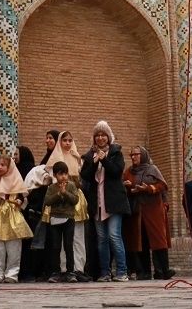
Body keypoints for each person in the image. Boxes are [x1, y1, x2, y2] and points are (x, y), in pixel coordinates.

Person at [80, 120, 130, 282]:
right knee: (101, 239)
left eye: (103, 135)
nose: (100, 138)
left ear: (108, 137)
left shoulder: (116, 152)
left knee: (114, 236)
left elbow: (116, 172)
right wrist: (95, 162)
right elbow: (86, 176)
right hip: (98, 204)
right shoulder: (89, 155)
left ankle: (122, 271)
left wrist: (104, 159)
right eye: (97, 135)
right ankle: (105, 272)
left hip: (114, 203)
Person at [122, 145, 174, 280]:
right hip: (137, 211)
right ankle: (144, 272)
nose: (133, 157)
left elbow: (163, 186)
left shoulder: (152, 169)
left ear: (143, 155)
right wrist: (128, 188)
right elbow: (124, 188)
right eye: (131, 155)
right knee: (141, 242)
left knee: (158, 240)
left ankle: (163, 270)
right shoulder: (128, 172)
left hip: (153, 210)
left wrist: (149, 188)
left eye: (136, 154)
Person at [46, 130, 91, 281]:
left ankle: (78, 269)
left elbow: (83, 178)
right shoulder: (56, 159)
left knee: (77, 238)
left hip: (75, 199)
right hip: (60, 204)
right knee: (62, 241)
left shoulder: (76, 156)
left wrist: (79, 162)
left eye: (70, 140)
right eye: (64, 140)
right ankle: (63, 269)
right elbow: (51, 180)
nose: (67, 143)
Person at [0, 155, 32, 282]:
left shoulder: (17, 180)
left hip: (13, 216)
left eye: (3, 165)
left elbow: (23, 198)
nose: (0, 167)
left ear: (9, 167)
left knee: (13, 246)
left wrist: (19, 201)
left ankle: (12, 274)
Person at [44, 161, 79, 282]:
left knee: (69, 245)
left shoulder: (72, 185)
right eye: (60, 174)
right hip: (55, 219)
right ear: (55, 175)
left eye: (65, 173)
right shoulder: (51, 187)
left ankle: (70, 272)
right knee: (55, 246)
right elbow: (47, 201)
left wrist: (66, 193)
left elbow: (75, 200)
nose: (63, 176)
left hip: (69, 218)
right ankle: (55, 272)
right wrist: (59, 194)